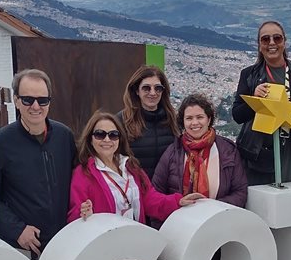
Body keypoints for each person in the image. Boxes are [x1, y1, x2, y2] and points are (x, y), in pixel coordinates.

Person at [0, 68, 75, 258]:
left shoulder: (64, 136)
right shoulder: (0, 143)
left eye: (42, 100)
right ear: (16, 100)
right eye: (28, 100)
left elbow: (78, 181)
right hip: (23, 247)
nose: (36, 106)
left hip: (65, 242)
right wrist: (17, 230)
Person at [69, 111, 202, 224]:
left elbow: (150, 199)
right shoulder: (83, 174)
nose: (107, 140)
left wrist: (178, 201)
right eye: (100, 134)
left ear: (120, 139)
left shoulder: (130, 166)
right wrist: (84, 214)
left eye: (113, 135)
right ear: (90, 139)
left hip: (135, 241)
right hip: (106, 246)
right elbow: (75, 216)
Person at [231, 20, 291, 186]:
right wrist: (254, 100)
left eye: (277, 38)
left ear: (284, 42)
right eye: (265, 39)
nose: (272, 43)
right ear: (259, 45)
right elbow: (237, 115)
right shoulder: (249, 75)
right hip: (260, 155)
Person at [153, 94, 248, 207]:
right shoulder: (173, 152)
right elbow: (156, 194)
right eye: (189, 118)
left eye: (199, 117)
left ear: (209, 119)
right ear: (183, 122)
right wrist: (176, 203)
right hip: (181, 220)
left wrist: (212, 207)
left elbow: (240, 192)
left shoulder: (227, 150)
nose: (194, 123)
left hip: (218, 218)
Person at [118, 66, 177, 179]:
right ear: (136, 90)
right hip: (134, 189)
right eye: (146, 88)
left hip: (165, 191)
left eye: (158, 88)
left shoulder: (172, 119)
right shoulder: (122, 121)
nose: (153, 93)